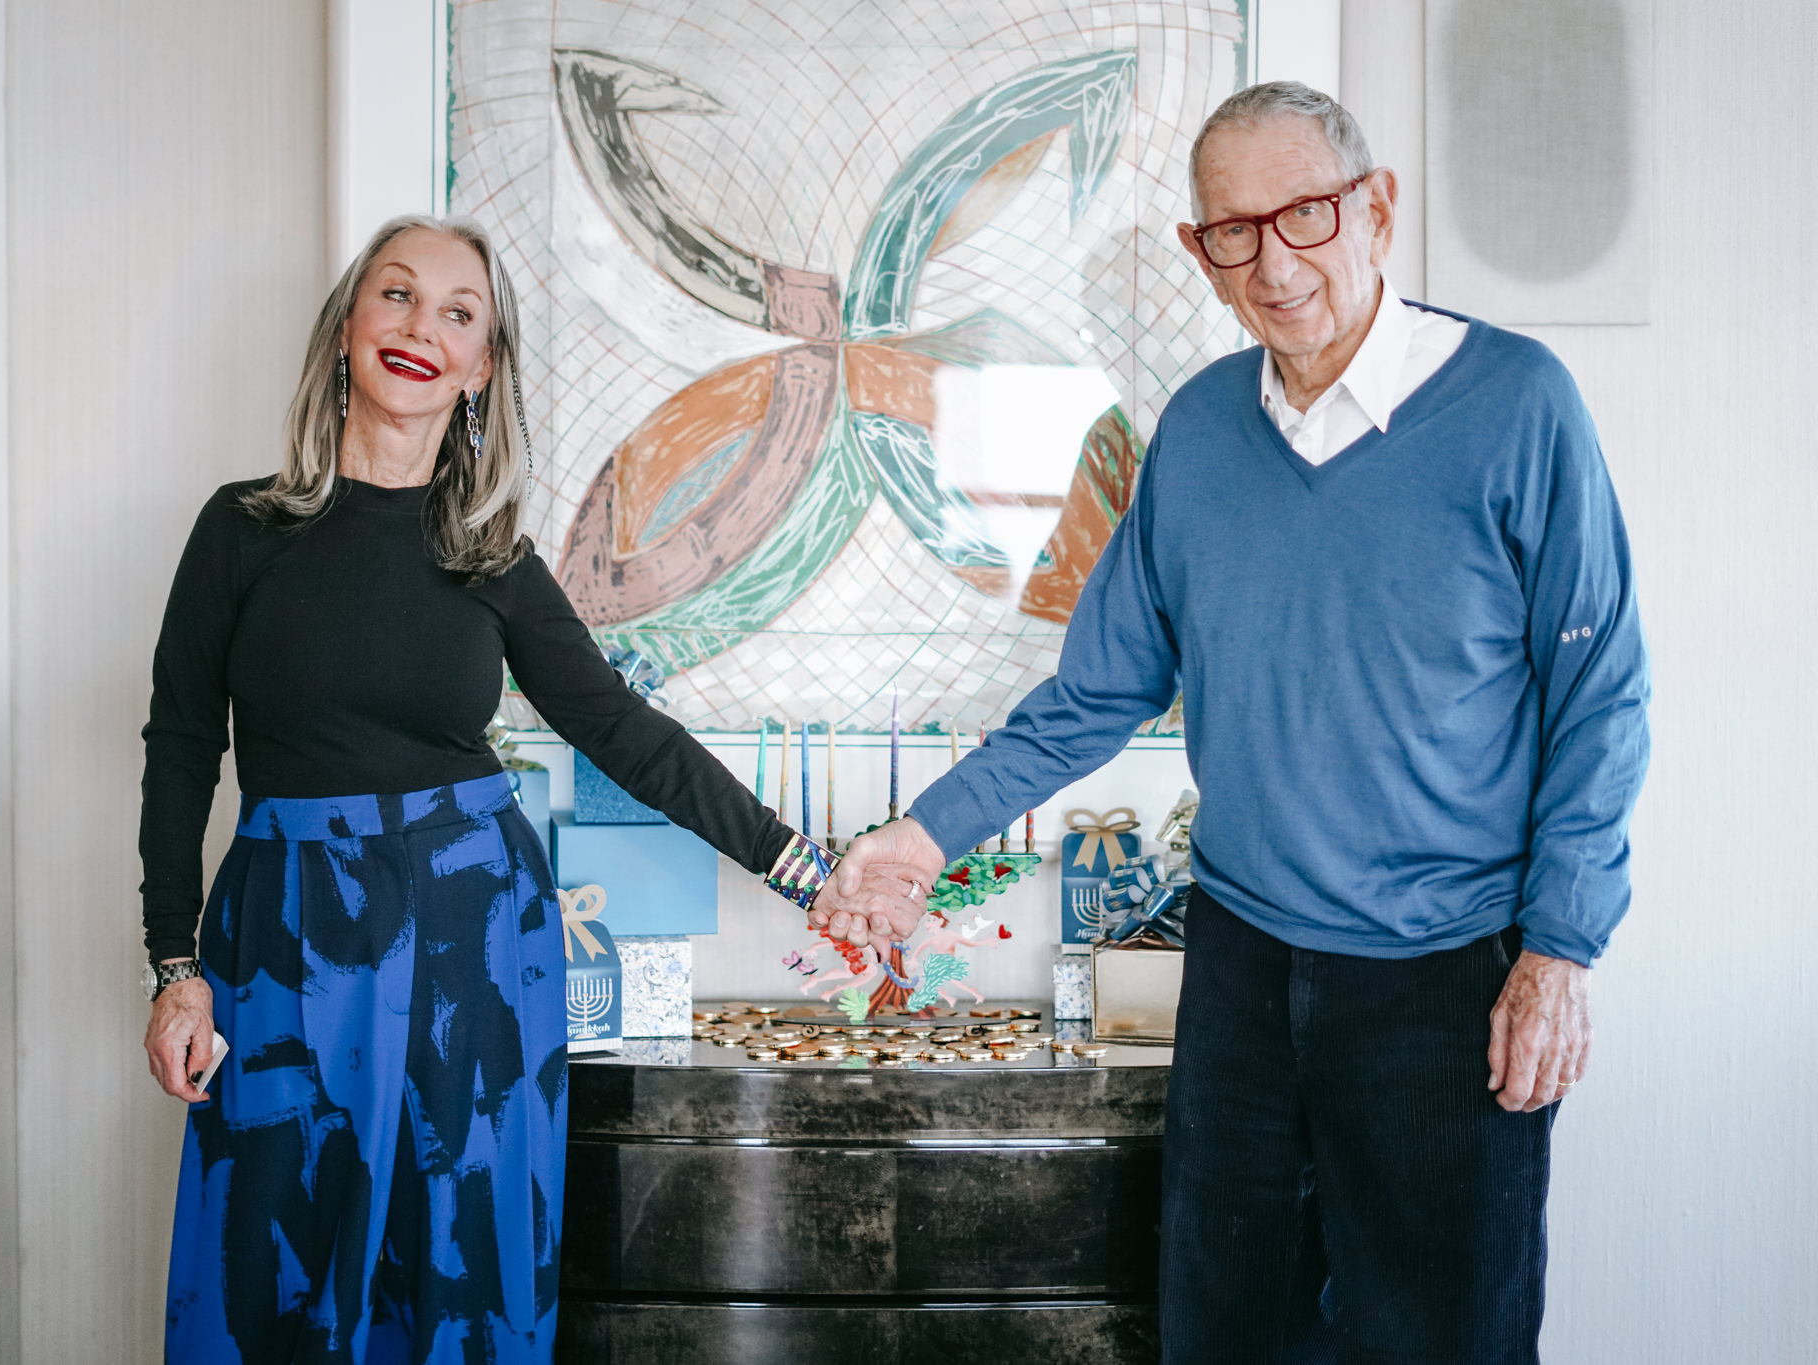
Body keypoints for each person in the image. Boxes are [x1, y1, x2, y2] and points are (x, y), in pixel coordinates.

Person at [819, 82, 1650, 1363]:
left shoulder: (1516, 404)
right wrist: (923, 837)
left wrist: (1560, 950)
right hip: (1244, 970)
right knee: (1224, 1334)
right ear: (1197, 255)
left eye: (1305, 214)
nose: (1272, 262)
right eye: (1231, 231)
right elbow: (1099, 689)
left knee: (1440, 1341)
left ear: (1373, 208)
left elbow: (1599, 693)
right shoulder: (1201, 430)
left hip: (1448, 975)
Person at [138, 213, 914, 1363]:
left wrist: (803, 868)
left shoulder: (489, 555)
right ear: (349, 325)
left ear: (482, 367)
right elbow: (181, 744)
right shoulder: (240, 529)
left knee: (458, 1248)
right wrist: (173, 967)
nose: (421, 329)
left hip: (472, 938)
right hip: (286, 938)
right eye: (396, 296)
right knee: (276, 1253)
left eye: (460, 314)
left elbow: (620, 731)